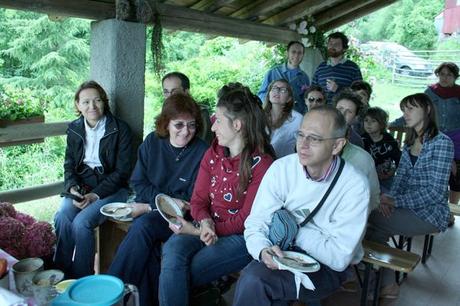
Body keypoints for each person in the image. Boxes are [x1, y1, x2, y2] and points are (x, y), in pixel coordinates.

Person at [233, 106, 369, 306]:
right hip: (281, 249)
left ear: (337, 145)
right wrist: (262, 250)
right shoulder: (282, 169)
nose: (303, 145)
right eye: (300, 135)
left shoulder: (354, 185)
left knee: (255, 281)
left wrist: (293, 228)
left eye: (314, 138)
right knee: (255, 280)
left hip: (325, 267)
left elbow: (338, 257)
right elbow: (256, 222)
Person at [159, 85, 274, 306]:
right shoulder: (213, 153)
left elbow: (245, 220)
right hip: (205, 226)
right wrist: (204, 222)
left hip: (242, 238)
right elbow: (198, 200)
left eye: (218, 121)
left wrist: (197, 229)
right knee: (172, 254)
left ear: (237, 125)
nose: (212, 127)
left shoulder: (263, 164)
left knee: (184, 271)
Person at [107, 94, 208, 306]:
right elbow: (138, 182)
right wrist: (156, 204)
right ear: (166, 124)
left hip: (182, 221)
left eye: (191, 125)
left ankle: (111, 293)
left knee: (143, 226)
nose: (185, 131)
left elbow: (190, 201)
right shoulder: (152, 142)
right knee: (149, 252)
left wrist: (146, 207)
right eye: (178, 124)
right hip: (152, 212)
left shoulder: (201, 151)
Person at [366, 93, 454, 299]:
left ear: (428, 110)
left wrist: (395, 201)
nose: (405, 113)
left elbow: (436, 192)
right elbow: (400, 180)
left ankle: (378, 279)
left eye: (411, 108)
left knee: (371, 222)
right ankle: (386, 283)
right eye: (404, 109)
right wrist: (389, 200)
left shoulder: (442, 143)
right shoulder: (409, 143)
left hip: (431, 214)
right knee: (374, 226)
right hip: (406, 207)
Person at [54, 81, 133, 278]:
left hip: (112, 187)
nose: (92, 107)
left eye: (97, 100)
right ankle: (61, 274)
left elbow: (122, 172)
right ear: (78, 105)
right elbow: (69, 165)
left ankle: (82, 278)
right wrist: (72, 187)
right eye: (86, 102)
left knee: (82, 223)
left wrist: (95, 195)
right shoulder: (74, 129)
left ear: (104, 102)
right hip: (83, 185)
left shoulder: (120, 129)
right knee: (62, 216)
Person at [425, 62, 460, 205]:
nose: (445, 78)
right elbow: (419, 110)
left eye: (449, 75)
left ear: (455, 77)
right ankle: (440, 209)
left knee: (457, 179)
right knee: (438, 177)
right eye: (442, 74)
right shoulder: (429, 92)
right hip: (435, 138)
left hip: (457, 140)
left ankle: (451, 210)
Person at [258, 41, 310, 115]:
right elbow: (262, 94)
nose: (296, 55)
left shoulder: (305, 77)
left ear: (303, 55)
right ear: (287, 53)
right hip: (274, 115)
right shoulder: (273, 72)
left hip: (294, 117)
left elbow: (306, 100)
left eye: (299, 53)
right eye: (293, 52)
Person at [162, 71, 213, 144]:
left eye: (175, 91)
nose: (170, 96)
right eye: (166, 92)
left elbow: (204, 145)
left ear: (186, 92)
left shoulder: (201, 113)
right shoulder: (166, 110)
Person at [312, 32, 363, 103]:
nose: (332, 46)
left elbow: (359, 94)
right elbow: (313, 90)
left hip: (343, 112)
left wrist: (338, 89)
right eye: (330, 43)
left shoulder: (353, 68)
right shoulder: (321, 67)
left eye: (336, 44)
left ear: (344, 48)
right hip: (323, 111)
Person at [362, 107, 401, 193]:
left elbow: (398, 159)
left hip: (387, 177)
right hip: (368, 177)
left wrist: (393, 171)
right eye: (366, 120)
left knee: (391, 195)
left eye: (373, 121)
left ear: (382, 124)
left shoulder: (389, 140)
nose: (368, 124)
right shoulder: (362, 140)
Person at [264, 79, 303, 158]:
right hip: (261, 164)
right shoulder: (259, 116)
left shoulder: (297, 119)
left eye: (283, 90)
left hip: (283, 165)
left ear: (289, 98)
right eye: (274, 88)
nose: (277, 91)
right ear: (269, 94)